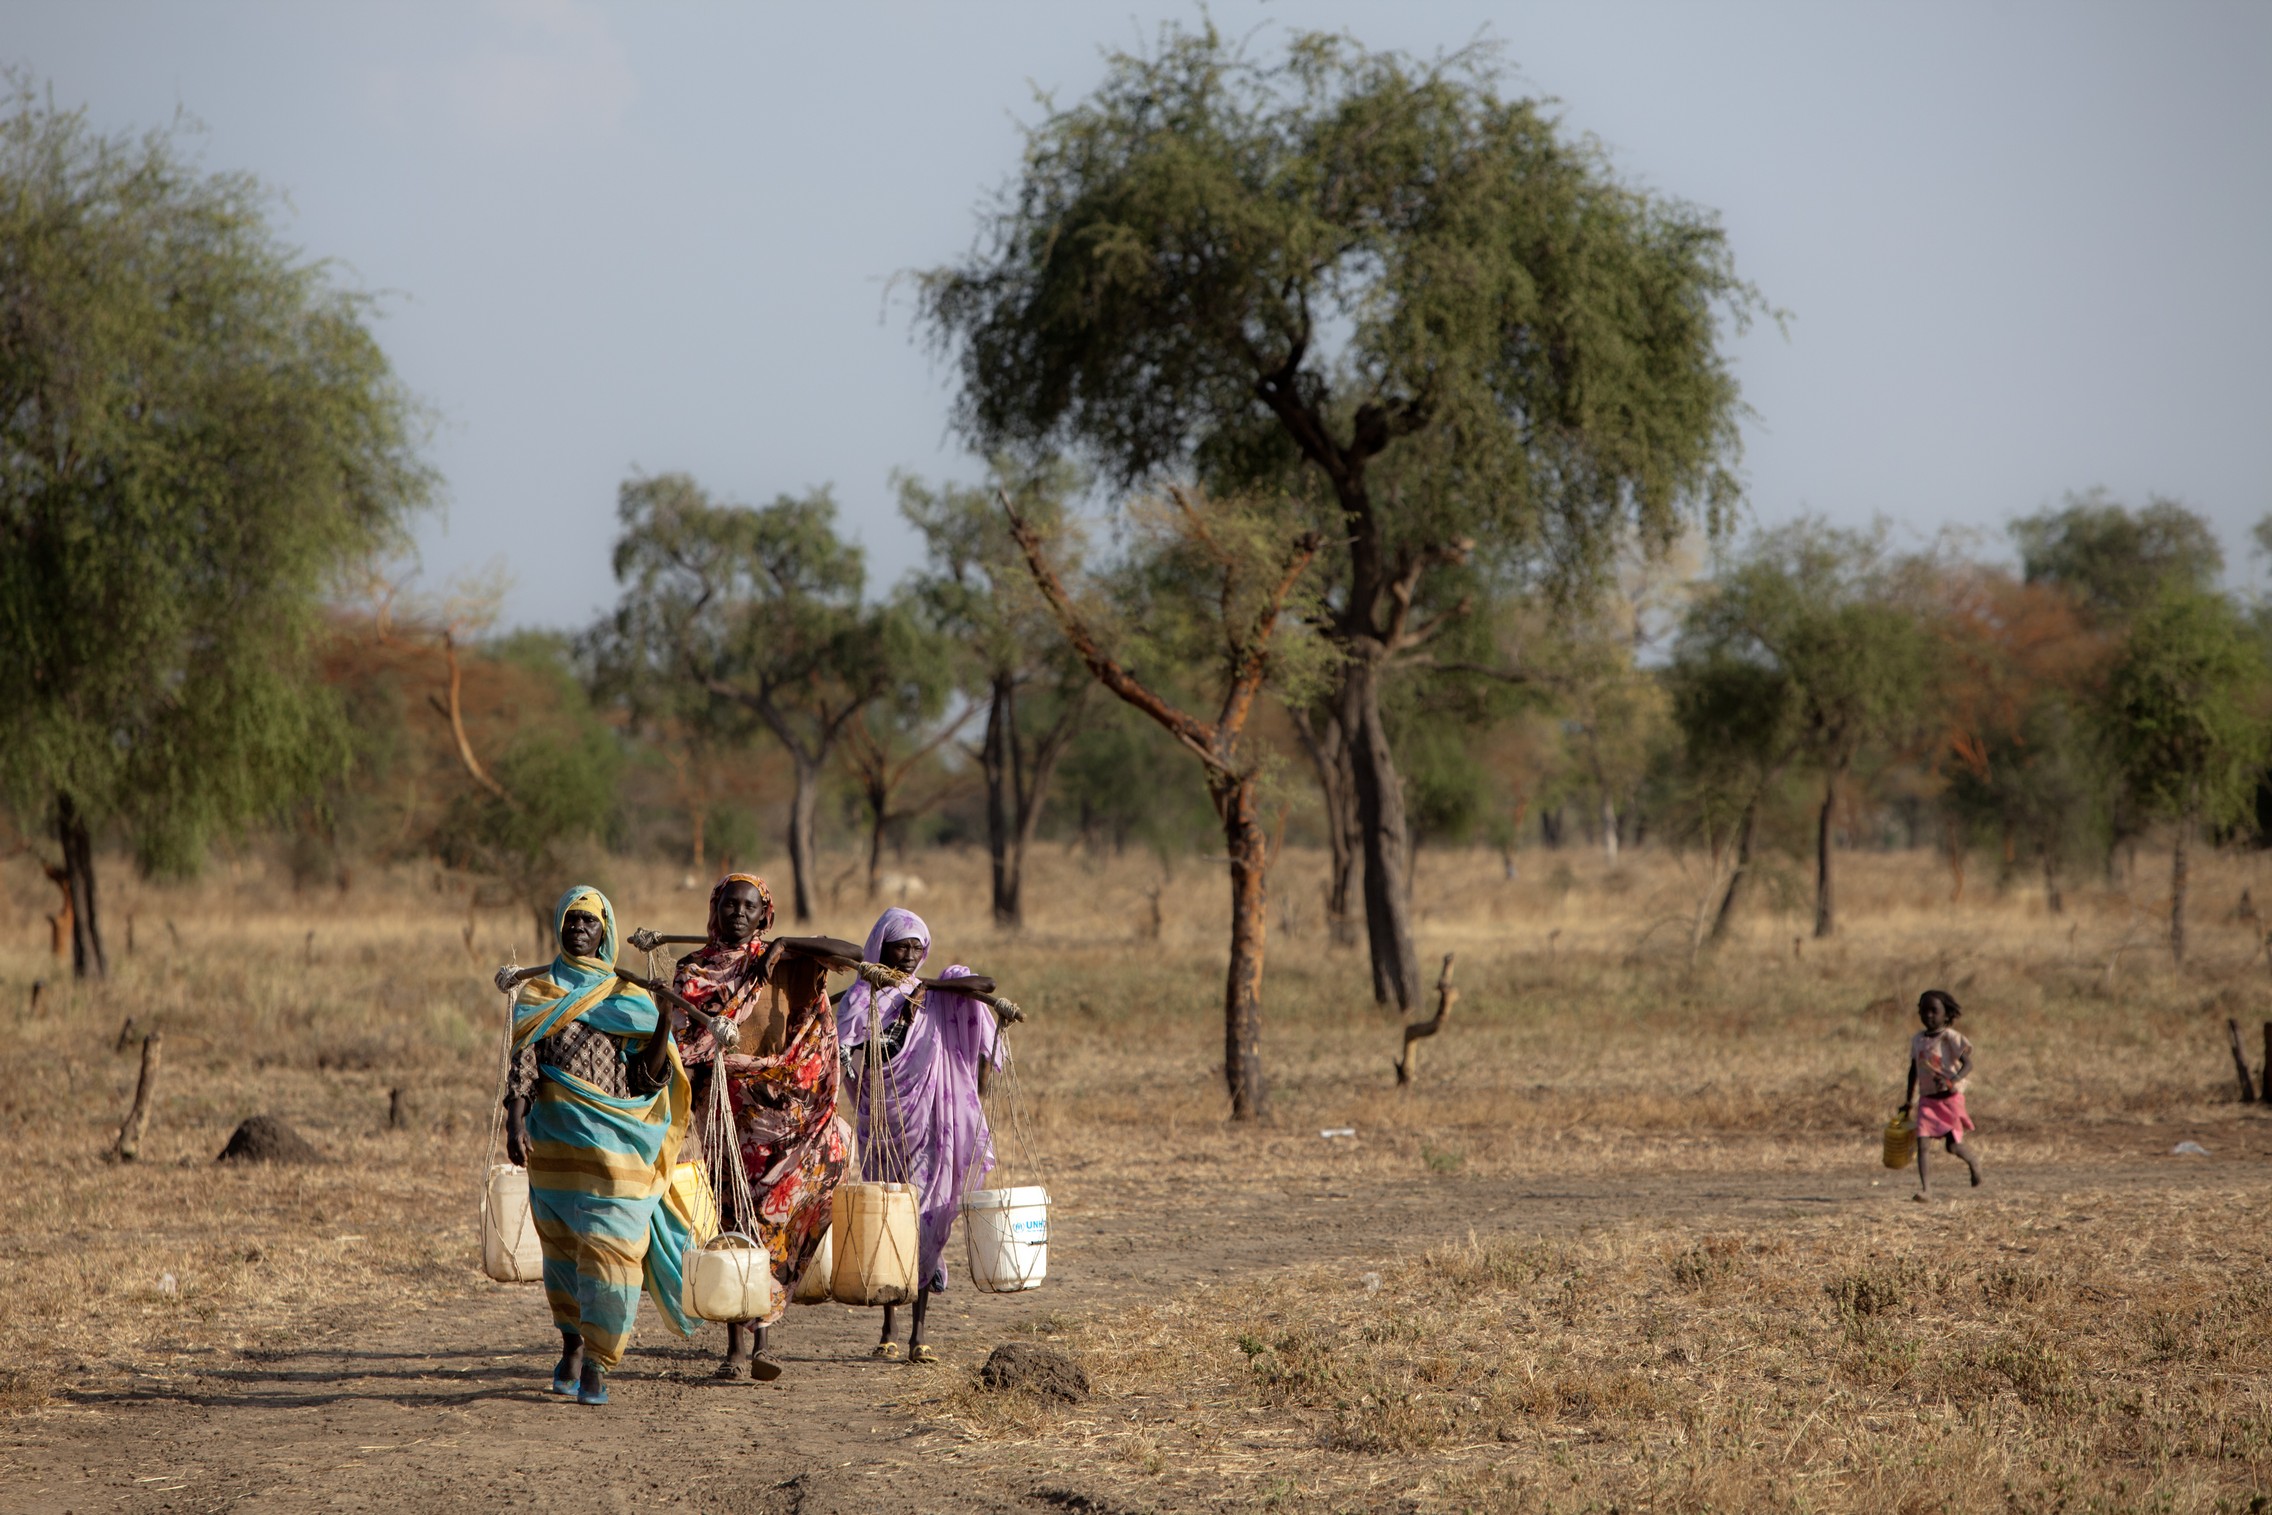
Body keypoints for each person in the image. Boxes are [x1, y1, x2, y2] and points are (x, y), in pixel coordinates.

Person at [494, 886, 702, 1406]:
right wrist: (514, 1124)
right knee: (563, 1248)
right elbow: (522, 1067)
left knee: (613, 1251)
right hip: (555, 1144)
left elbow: (648, 1079)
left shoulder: (625, 998)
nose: (579, 929)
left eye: (589, 922)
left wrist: (660, 1020)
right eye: (571, 920)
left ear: (605, 931)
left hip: (617, 1147)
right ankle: (571, 1347)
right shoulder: (539, 993)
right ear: (560, 928)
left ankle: (600, 1362)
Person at [666, 873, 860, 1381]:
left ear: (763, 915)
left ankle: (761, 1342)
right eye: (730, 904)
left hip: (785, 1123)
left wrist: (789, 943)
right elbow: (682, 1047)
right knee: (734, 1223)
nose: (738, 913)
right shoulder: (693, 971)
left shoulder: (786, 963)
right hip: (726, 1117)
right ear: (716, 910)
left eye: (749, 907)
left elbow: (854, 953)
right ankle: (735, 1346)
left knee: (771, 1228)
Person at [837, 907, 1010, 1363]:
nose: (910, 955)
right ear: (881, 947)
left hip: (930, 1123)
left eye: (918, 947)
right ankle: (888, 1328)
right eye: (901, 946)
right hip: (883, 1125)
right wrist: (880, 990)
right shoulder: (864, 995)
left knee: (926, 1221)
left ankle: (919, 1334)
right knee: (888, 1217)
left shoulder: (936, 994)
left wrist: (927, 986)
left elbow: (983, 987)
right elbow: (847, 1041)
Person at [1900, 988, 1982, 1201]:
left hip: (1949, 1099)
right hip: (1927, 1100)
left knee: (1952, 1146)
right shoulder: (1918, 1040)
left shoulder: (1950, 1038)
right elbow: (1913, 1071)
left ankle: (1973, 1162)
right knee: (1922, 1143)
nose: (1929, 1015)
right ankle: (1926, 1190)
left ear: (1946, 1014)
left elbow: (1968, 1064)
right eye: (1924, 1011)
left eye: (1934, 1011)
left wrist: (1952, 1081)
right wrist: (1908, 1101)